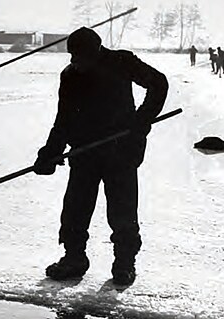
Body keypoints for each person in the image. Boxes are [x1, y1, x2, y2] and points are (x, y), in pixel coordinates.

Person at [33, 27, 168, 286]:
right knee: (75, 208)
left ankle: (124, 263)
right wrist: (50, 153)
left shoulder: (121, 62)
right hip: (85, 152)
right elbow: (64, 119)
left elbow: (158, 83)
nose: (75, 61)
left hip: (121, 150)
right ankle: (74, 258)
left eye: (80, 55)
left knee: (122, 210)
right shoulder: (71, 76)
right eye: (72, 55)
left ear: (96, 51)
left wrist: (141, 120)